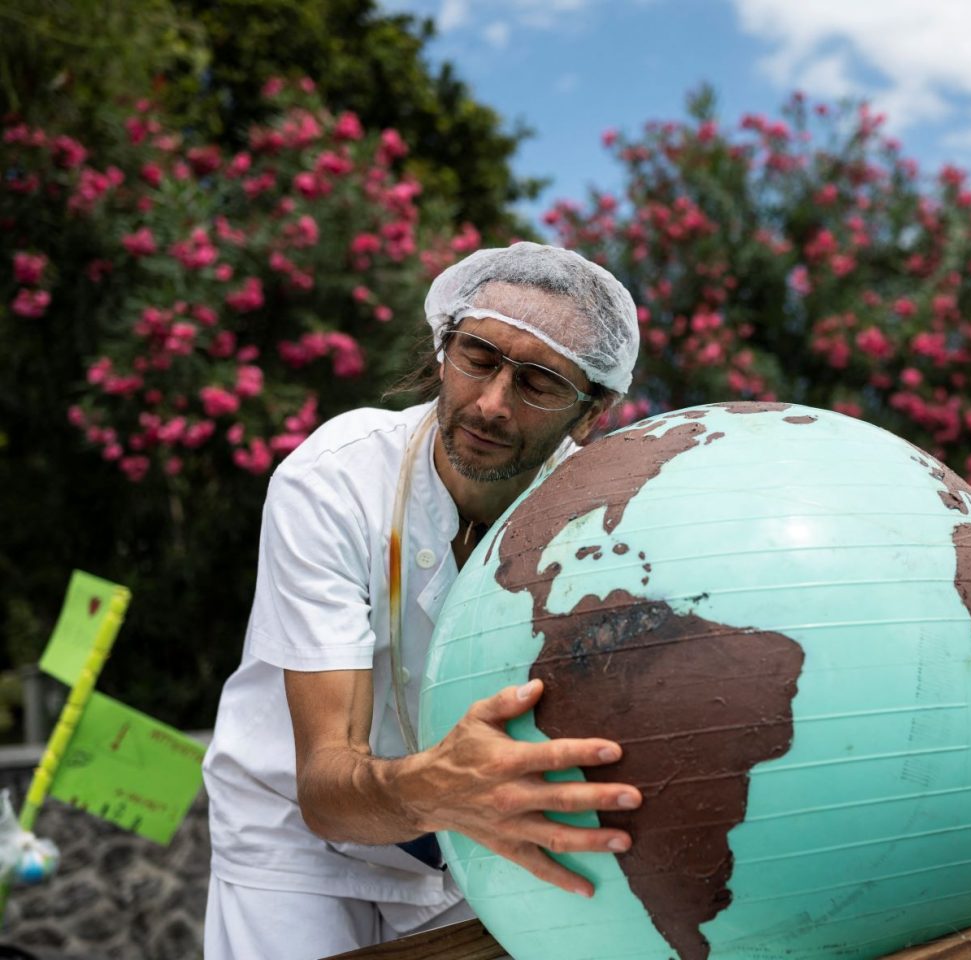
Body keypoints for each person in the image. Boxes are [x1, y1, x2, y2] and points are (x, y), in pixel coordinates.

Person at [202, 242, 646, 960]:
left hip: (474, 835)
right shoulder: (334, 482)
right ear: (444, 349)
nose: (493, 404)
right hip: (294, 843)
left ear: (590, 413)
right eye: (477, 357)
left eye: (538, 383)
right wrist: (445, 791)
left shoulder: (598, 521)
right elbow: (324, 789)